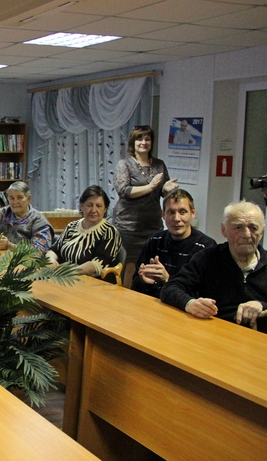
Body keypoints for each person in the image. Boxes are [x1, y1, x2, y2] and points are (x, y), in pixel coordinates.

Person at [160, 200, 267, 331]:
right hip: (214, 331)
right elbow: (170, 288)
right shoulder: (208, 257)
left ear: (261, 232)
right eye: (238, 227)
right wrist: (190, 303)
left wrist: (261, 305)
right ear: (224, 230)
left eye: (253, 228)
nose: (246, 234)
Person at [112, 125, 179, 265]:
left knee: (152, 263)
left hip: (153, 224)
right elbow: (123, 191)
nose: (144, 142)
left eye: (147, 139)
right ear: (133, 142)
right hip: (128, 226)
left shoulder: (159, 164)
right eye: (139, 139)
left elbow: (162, 192)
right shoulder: (124, 164)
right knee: (129, 266)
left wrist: (166, 189)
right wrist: (150, 187)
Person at [131, 189, 216, 298]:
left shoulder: (206, 247)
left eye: (183, 212)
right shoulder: (154, 240)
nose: (176, 219)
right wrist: (145, 282)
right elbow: (134, 286)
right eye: (171, 212)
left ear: (192, 213)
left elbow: (206, 294)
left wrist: (168, 279)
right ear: (163, 214)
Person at [46, 185, 122, 278]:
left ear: (105, 209)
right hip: (64, 278)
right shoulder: (72, 226)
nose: (93, 210)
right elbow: (54, 250)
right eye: (89, 205)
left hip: (94, 282)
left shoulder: (109, 232)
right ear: (81, 206)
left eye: (98, 206)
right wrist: (51, 260)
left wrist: (66, 272)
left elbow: (96, 265)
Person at [0, 181, 53, 254]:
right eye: (12, 198)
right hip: (1, 258)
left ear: (28, 198)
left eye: (20, 197)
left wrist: (10, 246)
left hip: (27, 260)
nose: (15, 202)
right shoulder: (3, 213)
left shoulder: (39, 221)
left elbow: (39, 251)